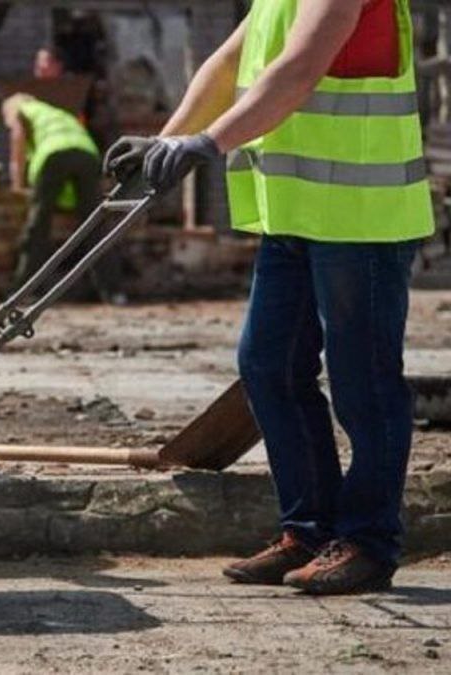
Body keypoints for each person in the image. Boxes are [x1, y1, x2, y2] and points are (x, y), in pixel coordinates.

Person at [107, 0, 433, 594]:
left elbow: (300, 66)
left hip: (361, 217)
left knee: (364, 382)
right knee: (268, 366)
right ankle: (308, 531)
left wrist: (207, 143)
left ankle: (368, 542)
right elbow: (229, 62)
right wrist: (166, 141)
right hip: (295, 213)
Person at [2, 93, 111, 300]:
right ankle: (112, 291)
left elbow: (17, 143)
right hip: (87, 154)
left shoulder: (21, 110)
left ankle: (24, 289)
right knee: (95, 224)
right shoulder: (57, 112)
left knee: (38, 225)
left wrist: (17, 184)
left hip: (53, 155)